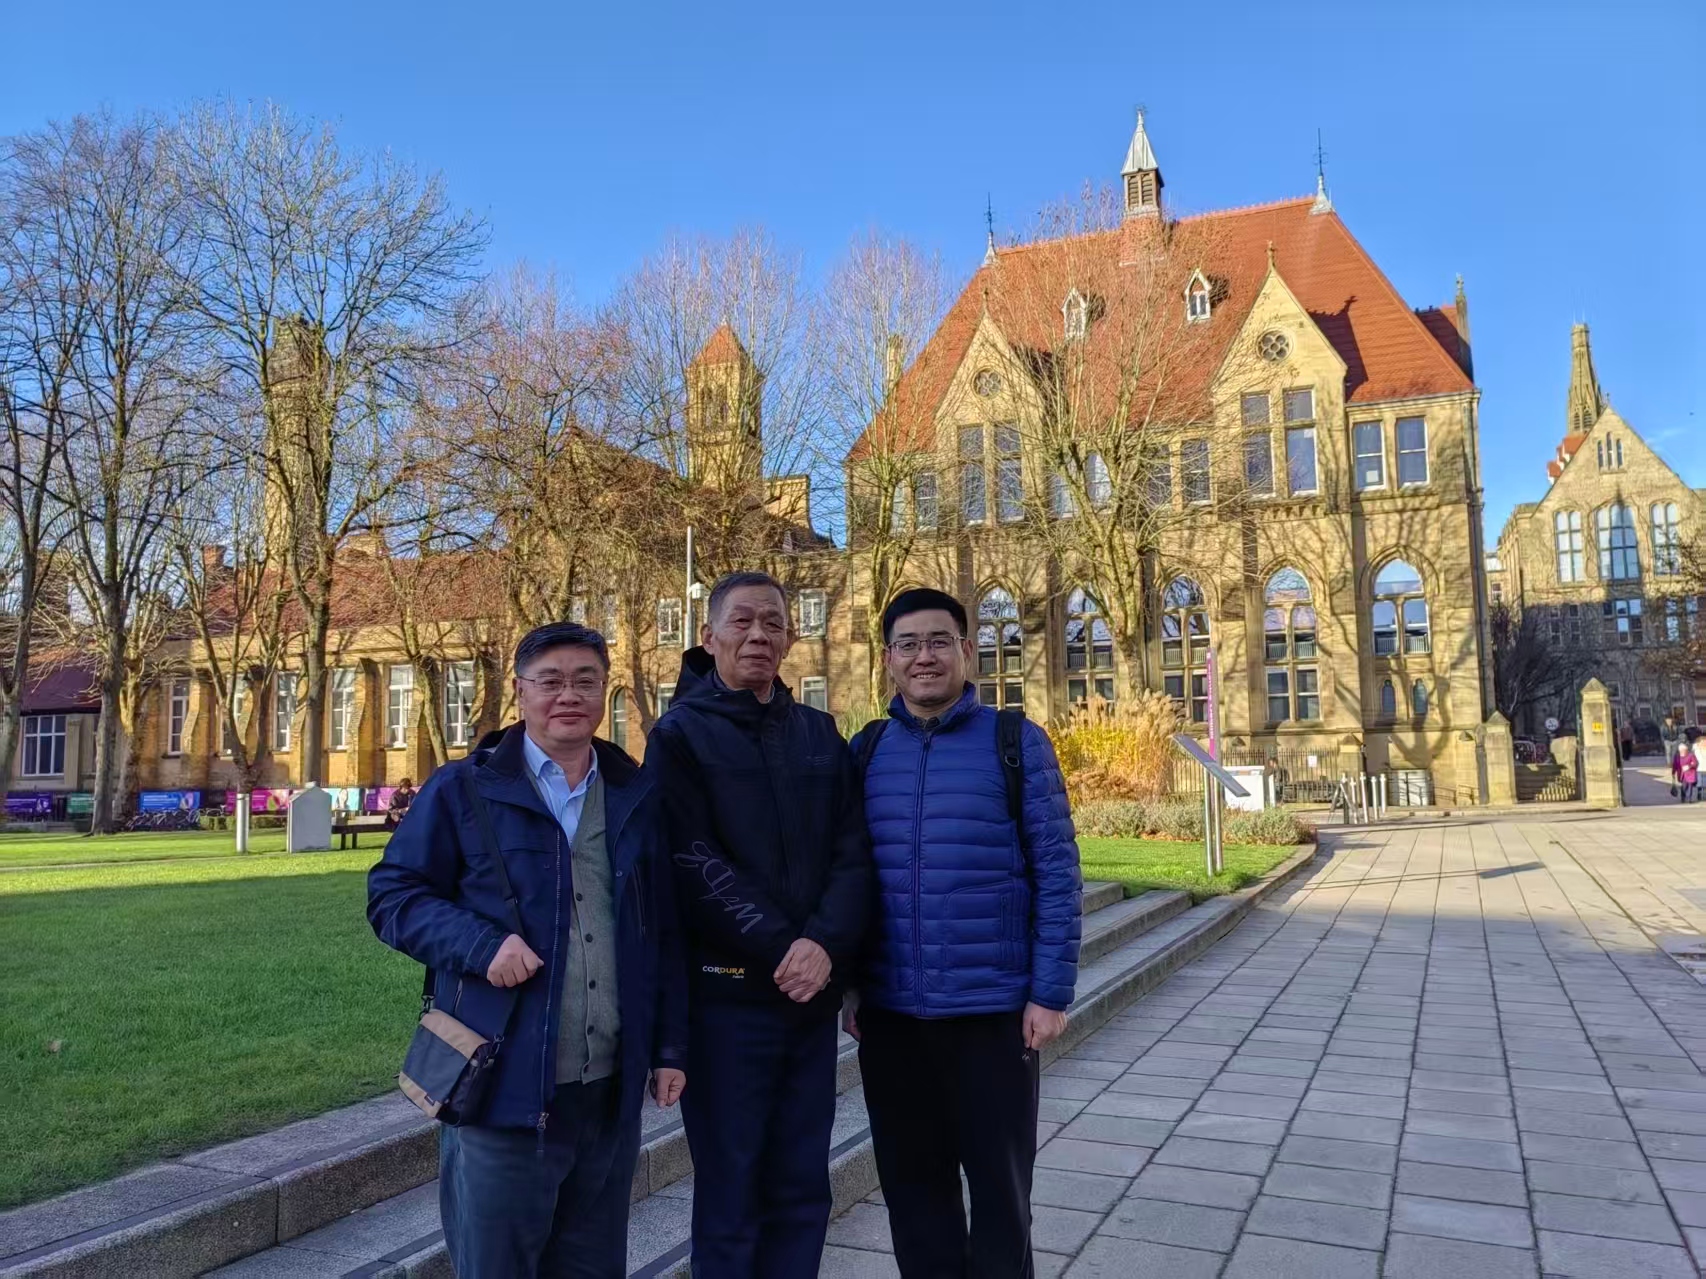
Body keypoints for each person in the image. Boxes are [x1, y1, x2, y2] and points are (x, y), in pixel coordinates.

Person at [367, 622, 687, 1278]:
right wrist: (481, 944)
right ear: (520, 691)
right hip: (502, 1090)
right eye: (550, 681)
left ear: (605, 691)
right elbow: (393, 897)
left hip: (608, 1095)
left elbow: (661, 930)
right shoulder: (464, 789)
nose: (568, 695)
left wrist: (668, 1047)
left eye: (585, 680)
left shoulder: (634, 796)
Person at [847, 588, 1082, 1279]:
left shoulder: (1015, 743)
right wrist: (854, 986)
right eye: (908, 643)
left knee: (1003, 1199)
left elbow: (1058, 873)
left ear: (967, 651)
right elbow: (849, 878)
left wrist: (1049, 992)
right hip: (893, 1019)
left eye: (939, 641)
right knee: (914, 1198)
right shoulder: (866, 750)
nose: (924, 656)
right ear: (888, 658)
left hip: (992, 1015)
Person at [646, 571, 873, 1279]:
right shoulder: (679, 736)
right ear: (709, 635)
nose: (758, 635)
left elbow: (853, 852)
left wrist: (824, 944)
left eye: (773, 622)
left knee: (803, 1187)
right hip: (728, 1004)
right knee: (731, 1192)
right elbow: (692, 862)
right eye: (741, 621)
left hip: (809, 1004)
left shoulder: (818, 732)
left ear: (791, 636)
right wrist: (785, 946)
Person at [1673, 738, 1699, 804]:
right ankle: (1683, 798)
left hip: (1690, 773)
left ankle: (1689, 798)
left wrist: (1689, 766)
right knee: (1684, 787)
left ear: (1686, 750)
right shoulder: (1677, 756)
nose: (1683, 752)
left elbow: (1695, 763)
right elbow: (1675, 765)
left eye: (1684, 750)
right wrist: (1673, 772)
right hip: (1682, 774)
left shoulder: (1691, 755)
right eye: (1681, 750)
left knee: (1690, 786)